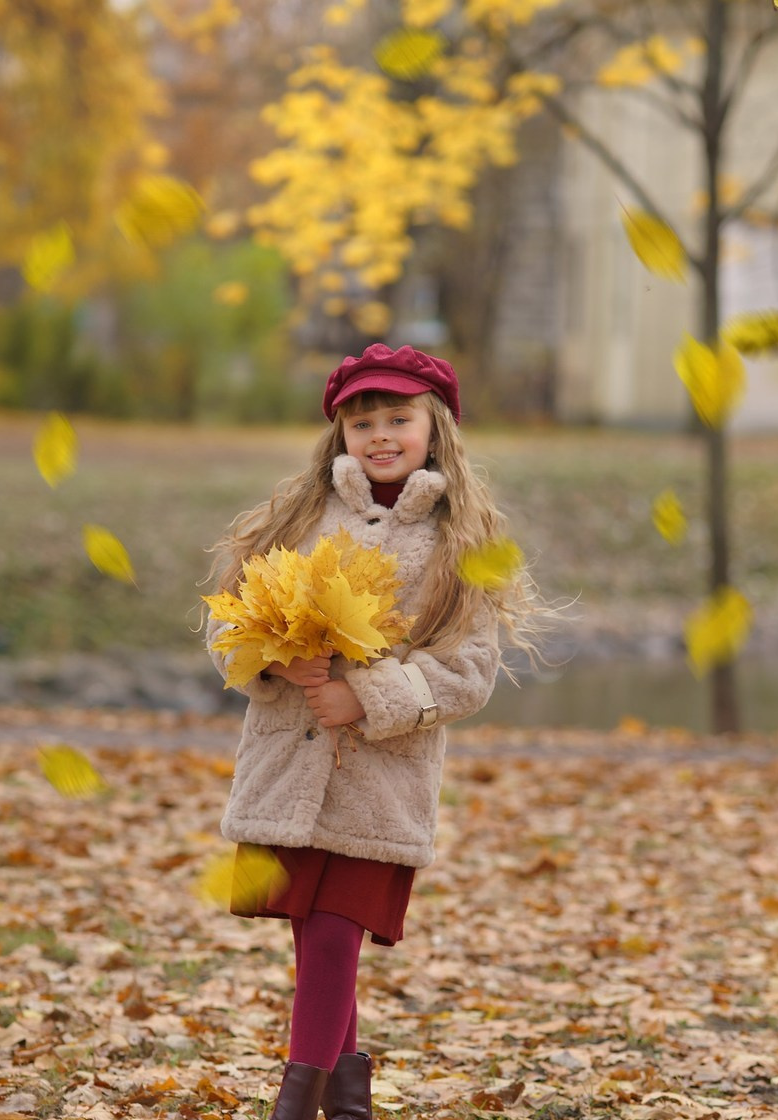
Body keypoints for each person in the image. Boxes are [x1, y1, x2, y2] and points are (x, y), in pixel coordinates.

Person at [205, 343, 542, 1120]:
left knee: (334, 936)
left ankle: (293, 1109)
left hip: (380, 780)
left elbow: (468, 671)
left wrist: (365, 695)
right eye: (363, 423)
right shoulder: (299, 518)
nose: (381, 435)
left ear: (435, 428)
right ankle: (348, 1105)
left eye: (398, 419)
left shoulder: (460, 542)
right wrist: (274, 657)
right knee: (314, 942)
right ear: (341, 433)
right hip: (289, 765)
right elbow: (228, 626)